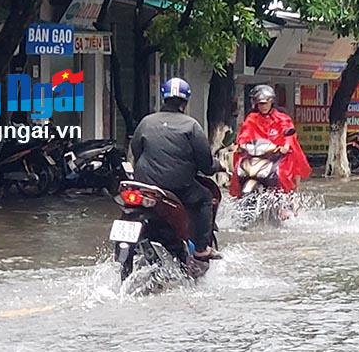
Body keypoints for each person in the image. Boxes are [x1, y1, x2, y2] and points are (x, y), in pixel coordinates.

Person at [131, 77, 222, 262]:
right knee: (205, 198)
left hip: (145, 187)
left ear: (164, 98)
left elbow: (136, 150)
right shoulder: (191, 126)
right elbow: (205, 164)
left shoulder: (146, 122)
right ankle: (202, 249)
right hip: (179, 188)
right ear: (185, 102)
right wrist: (217, 166)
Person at [230, 84, 311, 198]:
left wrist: (286, 146)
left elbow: (288, 133)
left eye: (265, 103)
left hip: (276, 157)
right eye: (260, 103)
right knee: (238, 170)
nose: (263, 106)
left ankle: (288, 199)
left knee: (283, 173)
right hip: (256, 156)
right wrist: (239, 145)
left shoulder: (282, 118)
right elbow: (244, 134)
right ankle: (236, 198)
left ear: (271, 102)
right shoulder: (251, 118)